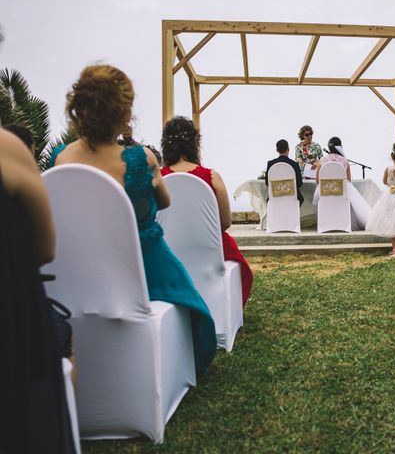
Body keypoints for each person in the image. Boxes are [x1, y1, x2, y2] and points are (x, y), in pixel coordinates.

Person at [50, 65, 216, 374]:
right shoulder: (141, 158)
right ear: (125, 113)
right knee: (198, 312)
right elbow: (164, 202)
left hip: (78, 275)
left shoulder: (60, 158)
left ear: (79, 109)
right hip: (143, 269)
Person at [0, 128, 75, 453]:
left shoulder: (60, 160)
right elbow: (45, 250)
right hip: (14, 335)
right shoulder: (7, 149)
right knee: (61, 331)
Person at [161, 116, 254, 307]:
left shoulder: (158, 179)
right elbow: (225, 222)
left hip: (168, 251)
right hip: (209, 250)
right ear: (195, 142)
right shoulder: (212, 177)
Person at [366, 142, 395, 258]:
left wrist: (392, 184)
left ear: (392, 156)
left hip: (392, 196)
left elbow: (384, 182)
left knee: (394, 220)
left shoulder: (389, 169)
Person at [313, 136, 371, 230]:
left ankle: (324, 223)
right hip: (340, 191)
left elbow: (317, 179)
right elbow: (348, 180)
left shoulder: (322, 161)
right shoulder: (345, 161)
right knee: (352, 195)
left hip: (324, 191)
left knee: (316, 196)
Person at [265, 138, 304, 205]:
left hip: (275, 199)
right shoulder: (294, 164)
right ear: (288, 149)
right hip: (292, 200)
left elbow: (267, 183)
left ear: (277, 150)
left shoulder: (270, 164)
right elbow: (299, 183)